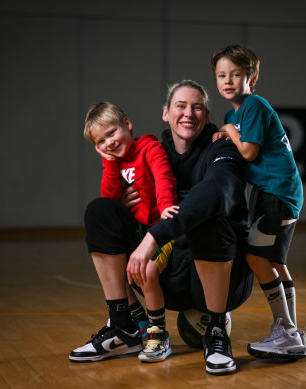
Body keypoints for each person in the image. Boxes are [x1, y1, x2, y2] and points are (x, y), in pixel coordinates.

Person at [127, 80, 252, 375]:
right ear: (166, 113)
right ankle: (125, 318)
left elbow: (216, 192)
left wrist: (154, 236)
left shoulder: (223, 148)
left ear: (206, 116)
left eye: (197, 107)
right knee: (104, 211)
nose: (189, 113)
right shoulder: (151, 154)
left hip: (226, 275)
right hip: (168, 279)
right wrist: (124, 200)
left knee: (206, 215)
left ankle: (217, 331)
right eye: (181, 106)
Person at [210, 43, 306, 359]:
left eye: (235, 74)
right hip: (276, 191)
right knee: (276, 262)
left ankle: (287, 330)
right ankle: (290, 331)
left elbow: (249, 152)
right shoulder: (233, 112)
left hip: (277, 192)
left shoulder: (253, 105)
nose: (227, 81)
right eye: (221, 75)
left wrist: (227, 131)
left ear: (251, 78)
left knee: (255, 256)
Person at [70, 102, 178, 363]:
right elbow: (109, 200)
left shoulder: (149, 148)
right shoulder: (115, 163)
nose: (109, 142)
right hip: (137, 232)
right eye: (101, 141)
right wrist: (108, 164)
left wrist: (165, 210)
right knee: (103, 221)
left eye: (112, 133)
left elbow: (164, 178)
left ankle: (157, 334)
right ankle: (132, 325)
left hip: (158, 231)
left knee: (147, 271)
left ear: (127, 124)